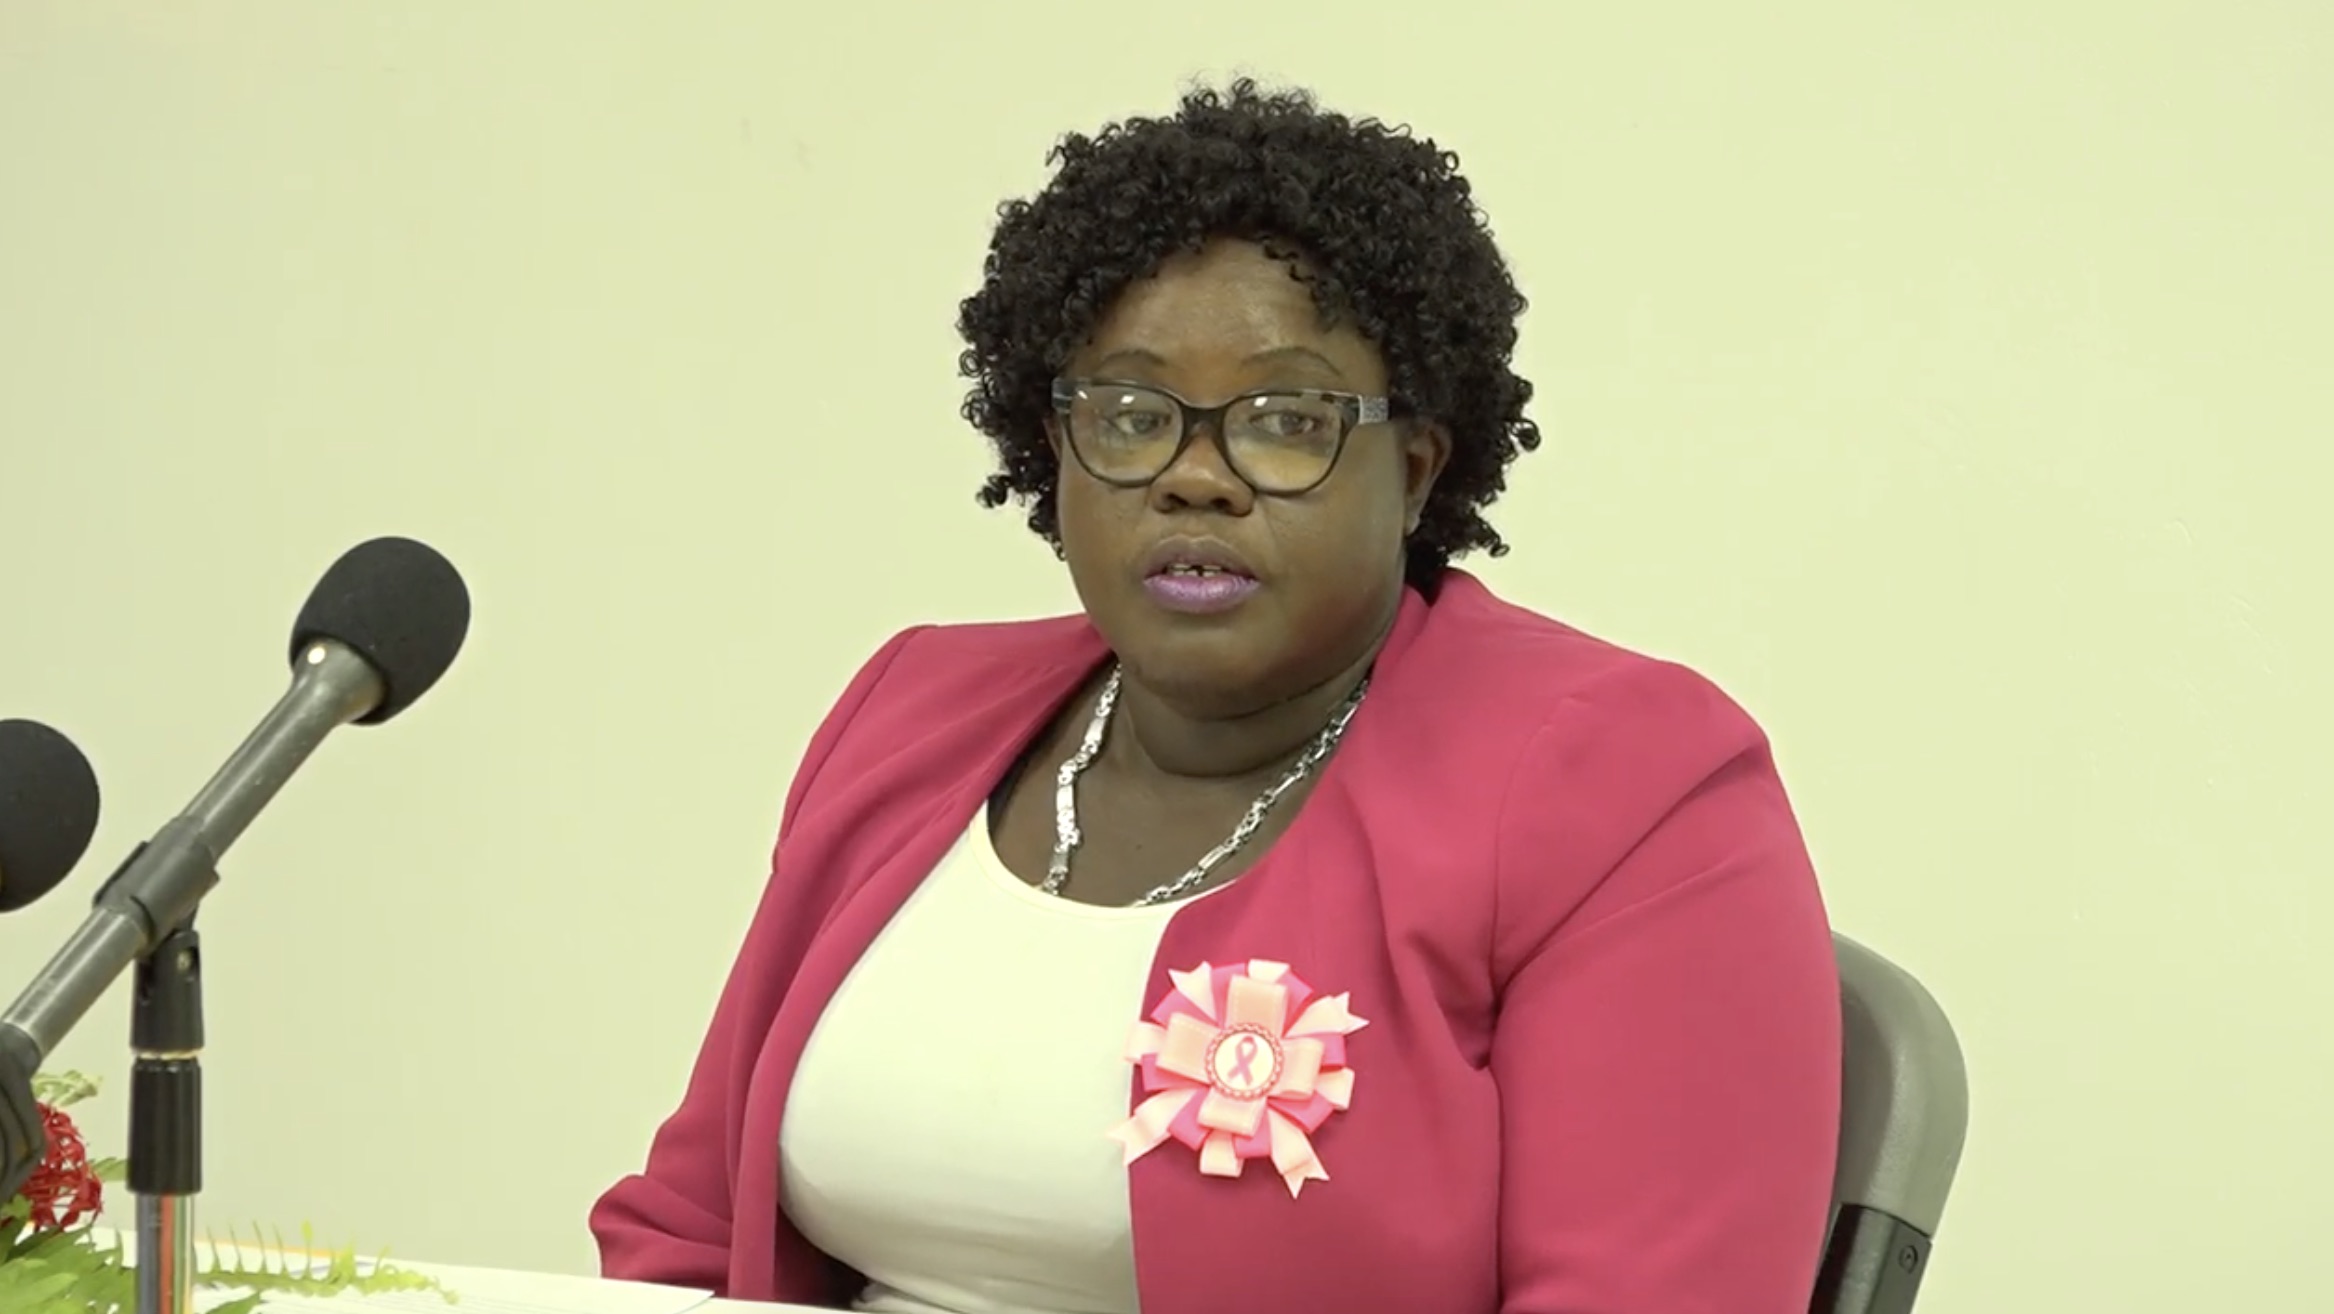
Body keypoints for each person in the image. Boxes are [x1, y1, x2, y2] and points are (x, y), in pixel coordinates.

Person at [590, 80, 1840, 1314]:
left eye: (1285, 420)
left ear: (1413, 470)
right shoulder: (911, 710)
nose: (1195, 476)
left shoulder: (1626, 786)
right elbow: (691, 1232)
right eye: (1132, 415)